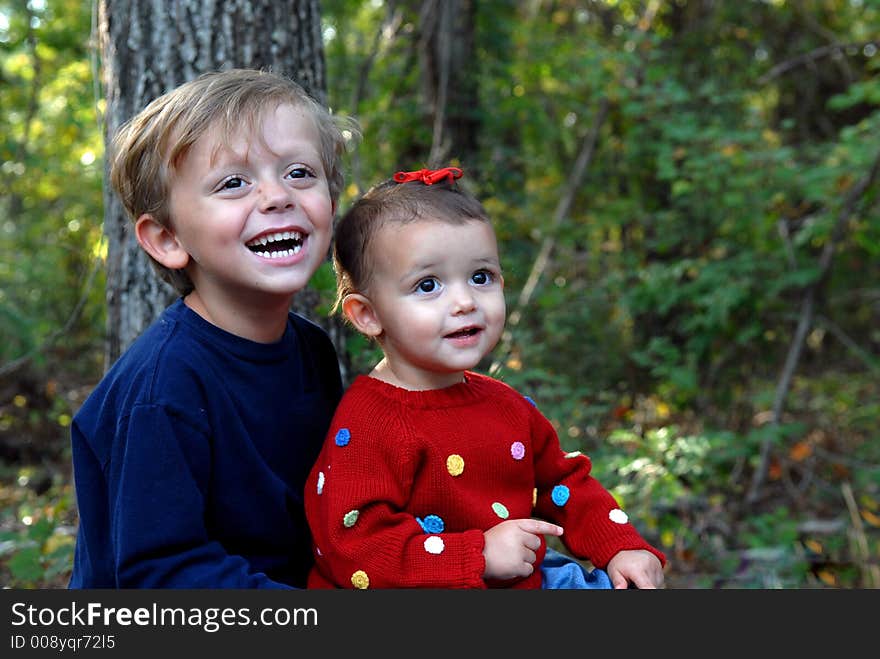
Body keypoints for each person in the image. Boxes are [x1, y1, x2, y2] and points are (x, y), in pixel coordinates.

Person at [304, 166, 666, 589]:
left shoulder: (506, 406)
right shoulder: (369, 423)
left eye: (481, 277)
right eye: (427, 285)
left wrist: (620, 545)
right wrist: (477, 555)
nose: (464, 302)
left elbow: (563, 483)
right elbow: (354, 546)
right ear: (368, 315)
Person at [68, 68, 358, 588]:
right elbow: (161, 574)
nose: (277, 196)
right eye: (233, 183)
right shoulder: (164, 387)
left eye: (299, 173)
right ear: (166, 238)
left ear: (330, 204)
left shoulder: (311, 350)